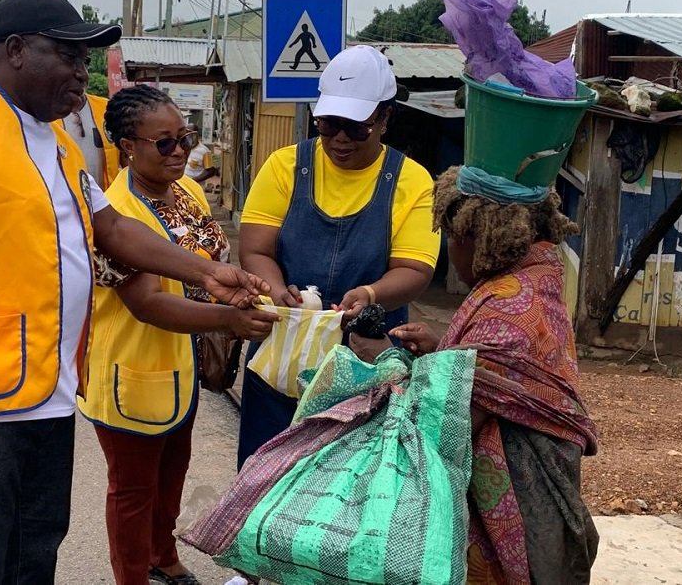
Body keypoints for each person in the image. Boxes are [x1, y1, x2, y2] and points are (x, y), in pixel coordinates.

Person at [0, 0, 269, 584]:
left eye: (87, 58)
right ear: (16, 51)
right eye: (69, 54)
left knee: (37, 549)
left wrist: (207, 271)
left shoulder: (54, 142)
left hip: (46, 393)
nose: (83, 72)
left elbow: (109, 226)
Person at [352, 165, 599, 583]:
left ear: (480, 237)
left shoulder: (509, 311)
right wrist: (444, 352)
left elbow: (440, 428)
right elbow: (485, 376)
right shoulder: (533, 278)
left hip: (504, 516)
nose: (450, 248)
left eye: (452, 236)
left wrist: (385, 360)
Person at [78, 85, 279, 585]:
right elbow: (146, 302)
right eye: (164, 143)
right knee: (132, 490)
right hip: (132, 368)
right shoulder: (114, 214)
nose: (181, 152)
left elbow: (209, 261)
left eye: (185, 138)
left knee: (172, 474)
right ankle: (132, 576)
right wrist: (227, 321)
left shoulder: (187, 191)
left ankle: (161, 555)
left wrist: (238, 295)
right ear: (128, 145)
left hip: (183, 366)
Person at [236, 44, 440, 468]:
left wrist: (370, 293)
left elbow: (415, 268)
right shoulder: (285, 166)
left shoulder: (412, 181)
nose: (340, 139)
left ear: (384, 118)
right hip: (282, 358)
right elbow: (256, 248)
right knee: (262, 482)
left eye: (355, 127)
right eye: (328, 125)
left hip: (366, 366)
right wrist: (276, 292)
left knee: (348, 491)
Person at [60, 91, 120, 190]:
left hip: (108, 197)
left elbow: (126, 157)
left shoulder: (107, 108)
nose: (78, 76)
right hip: (68, 200)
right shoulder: (46, 115)